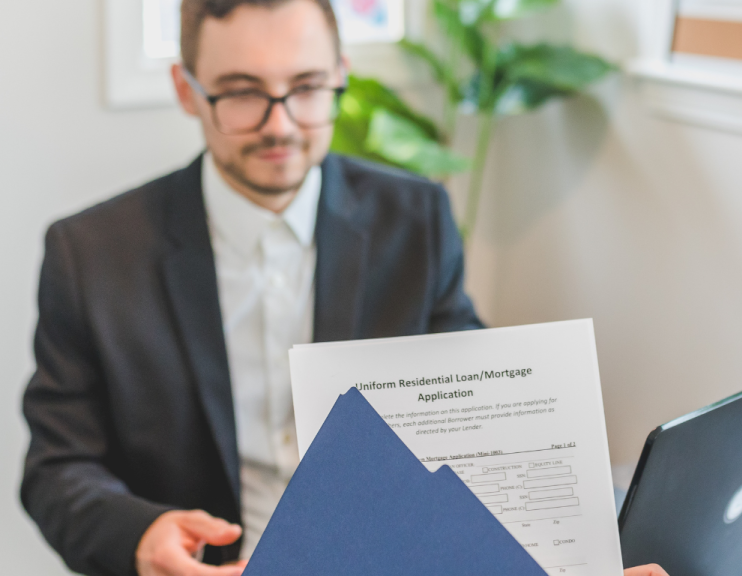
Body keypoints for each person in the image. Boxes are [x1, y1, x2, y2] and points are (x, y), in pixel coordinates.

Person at [20, 1, 668, 575]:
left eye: (306, 88)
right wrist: (140, 537)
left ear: (340, 76)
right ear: (186, 90)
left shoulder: (416, 220)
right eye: (241, 93)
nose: (280, 126)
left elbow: (476, 415)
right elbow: (56, 470)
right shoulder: (92, 254)